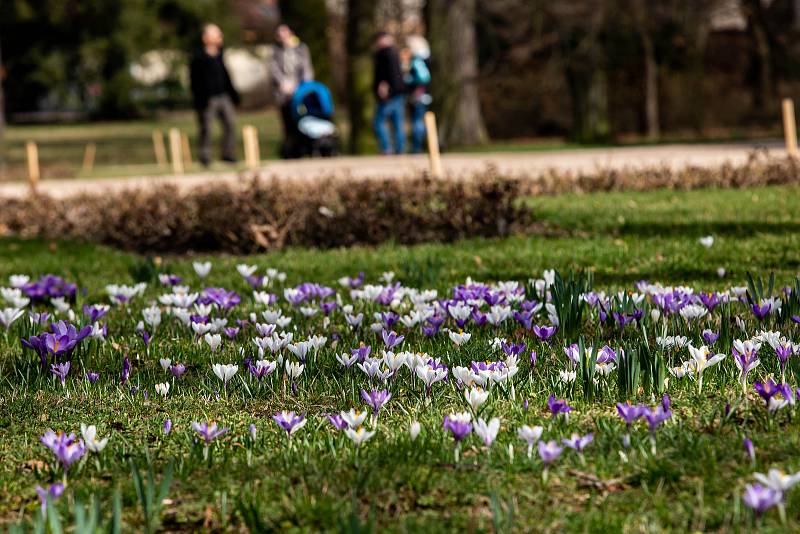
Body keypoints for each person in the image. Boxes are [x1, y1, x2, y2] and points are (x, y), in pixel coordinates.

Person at [190, 23, 240, 167]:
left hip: (224, 95)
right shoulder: (198, 56)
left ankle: (228, 154)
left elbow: (226, 76)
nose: (220, 37)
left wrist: (233, 94)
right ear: (206, 38)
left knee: (230, 124)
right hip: (207, 98)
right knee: (207, 128)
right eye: (216, 34)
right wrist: (199, 99)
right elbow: (195, 81)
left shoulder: (221, 54)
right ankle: (205, 157)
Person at [269, 24, 314, 158]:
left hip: (300, 91)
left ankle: (304, 148)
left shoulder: (301, 48)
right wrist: (283, 83)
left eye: (285, 33)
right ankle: (291, 151)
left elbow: (307, 69)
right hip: (283, 92)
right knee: (287, 122)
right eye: (279, 35)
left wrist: (302, 87)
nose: (282, 37)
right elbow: (273, 69)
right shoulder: (275, 51)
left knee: (301, 121)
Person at [372, 32, 406, 155]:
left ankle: (387, 148)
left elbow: (390, 74)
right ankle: (400, 149)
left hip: (390, 94)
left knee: (379, 121)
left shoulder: (385, 53)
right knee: (397, 123)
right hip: (398, 92)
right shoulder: (394, 53)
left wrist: (386, 87)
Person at [401, 35, 432, 154]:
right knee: (419, 121)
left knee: (417, 122)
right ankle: (420, 146)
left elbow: (424, 78)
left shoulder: (417, 61)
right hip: (420, 96)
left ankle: (417, 147)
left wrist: (408, 80)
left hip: (419, 96)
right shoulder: (420, 59)